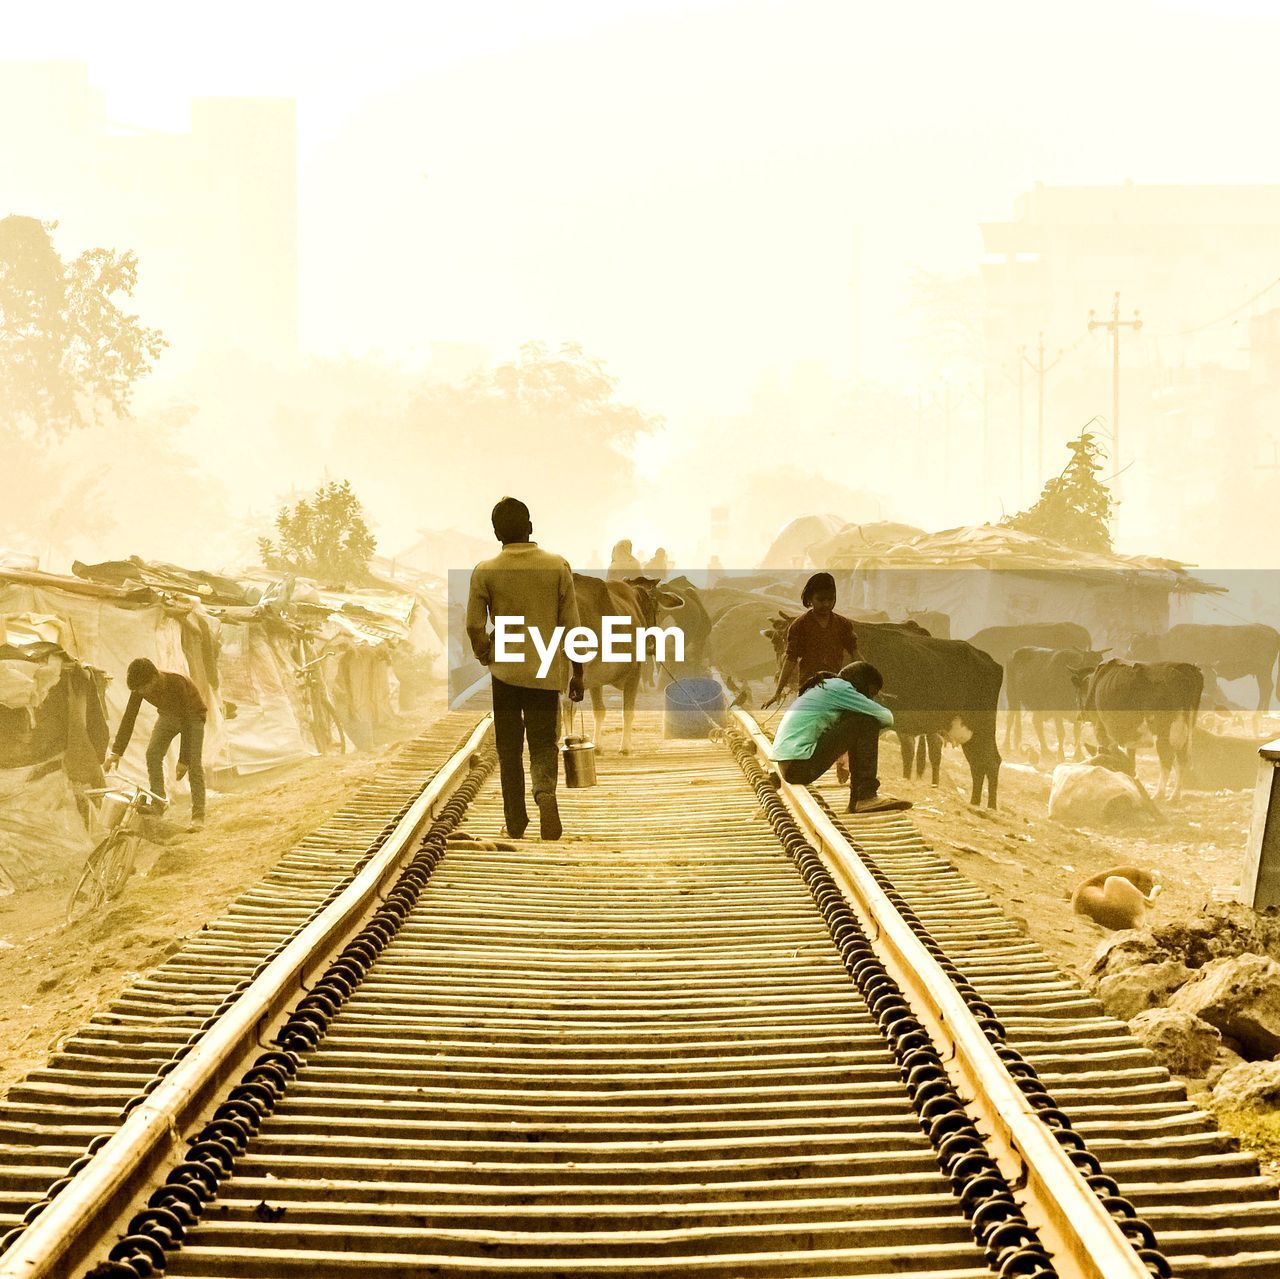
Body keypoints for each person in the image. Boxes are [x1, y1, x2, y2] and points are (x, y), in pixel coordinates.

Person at [467, 497, 585, 840]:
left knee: (508, 746)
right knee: (543, 742)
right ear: (530, 527)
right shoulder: (557, 566)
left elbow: (474, 624)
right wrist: (577, 673)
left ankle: (516, 821)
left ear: (495, 533)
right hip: (545, 669)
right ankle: (545, 792)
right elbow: (572, 626)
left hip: (505, 672)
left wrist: (485, 653)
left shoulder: (485, 571)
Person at [771, 661, 911, 814]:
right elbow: (887, 717)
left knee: (857, 719)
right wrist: (866, 708)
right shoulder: (841, 689)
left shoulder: (830, 686)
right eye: (871, 693)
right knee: (867, 721)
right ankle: (865, 795)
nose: (870, 699)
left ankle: (856, 801)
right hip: (799, 766)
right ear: (862, 682)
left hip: (791, 766)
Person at [104, 658, 208, 831]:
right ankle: (158, 803)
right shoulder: (140, 687)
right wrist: (116, 752)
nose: (141, 693)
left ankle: (198, 816)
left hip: (193, 716)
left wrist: (183, 760)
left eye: (143, 688)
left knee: (194, 765)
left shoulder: (176, 682)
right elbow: (129, 717)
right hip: (168, 715)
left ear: (154, 678)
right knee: (152, 754)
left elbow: (187, 722)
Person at [762, 571, 858, 709]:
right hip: (808, 686)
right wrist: (778, 692)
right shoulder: (799, 626)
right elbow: (790, 659)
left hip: (835, 685)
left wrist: (869, 679)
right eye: (821, 600)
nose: (826, 604)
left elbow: (855, 653)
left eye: (830, 600)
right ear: (810, 599)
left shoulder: (843, 624)